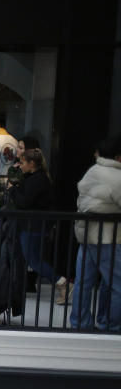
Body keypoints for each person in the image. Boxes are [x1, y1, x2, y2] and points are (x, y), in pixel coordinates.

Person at [71, 136, 121, 331]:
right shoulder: (117, 177)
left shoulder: (92, 171)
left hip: (86, 235)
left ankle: (80, 324)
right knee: (117, 284)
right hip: (110, 237)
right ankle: (112, 324)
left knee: (84, 283)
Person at [7, 146, 68, 303]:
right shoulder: (36, 178)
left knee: (34, 260)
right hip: (32, 225)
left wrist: (12, 190)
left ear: (32, 163)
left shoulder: (38, 180)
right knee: (30, 258)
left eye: (22, 162)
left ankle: (62, 282)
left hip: (33, 226)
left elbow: (24, 202)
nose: (20, 165)